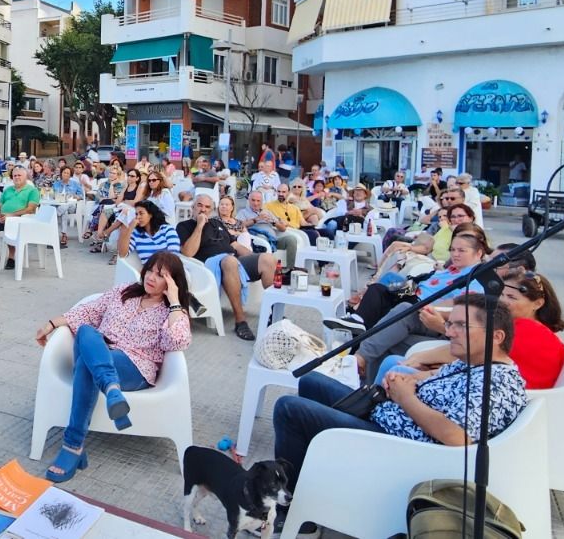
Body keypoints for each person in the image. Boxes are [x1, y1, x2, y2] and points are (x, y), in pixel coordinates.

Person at [271, 293, 528, 494]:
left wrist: (406, 397)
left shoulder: (496, 383)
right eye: (450, 324)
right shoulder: (475, 362)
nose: (449, 332)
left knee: (288, 408)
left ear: (496, 336)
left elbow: (455, 435)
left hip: (396, 446)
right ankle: (313, 481)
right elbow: (434, 380)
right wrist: (408, 379)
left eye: (461, 326)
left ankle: (286, 501)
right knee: (310, 381)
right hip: (387, 417)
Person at [34, 252, 193, 482]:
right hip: (101, 353)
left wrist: (176, 301)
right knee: (87, 333)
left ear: (172, 283)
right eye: (150, 270)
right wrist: (50, 324)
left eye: (161, 276)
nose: (151, 277)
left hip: (133, 366)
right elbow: (89, 311)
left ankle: (73, 445)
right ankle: (111, 389)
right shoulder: (124, 291)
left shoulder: (171, 313)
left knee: (86, 365)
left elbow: (178, 341)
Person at [387, 265, 564, 389]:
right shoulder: (521, 326)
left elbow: (473, 350)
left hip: (498, 397)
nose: (503, 301)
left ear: (537, 303)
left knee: (395, 366)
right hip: (484, 384)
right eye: (502, 295)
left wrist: (423, 359)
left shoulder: (527, 329)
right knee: (396, 358)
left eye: (512, 298)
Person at [346, 223, 491, 378]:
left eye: (462, 250)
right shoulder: (454, 268)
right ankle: (362, 372)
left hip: (433, 316)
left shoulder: (476, 277)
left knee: (401, 310)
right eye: (453, 250)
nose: (455, 254)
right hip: (418, 302)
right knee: (380, 293)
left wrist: (431, 310)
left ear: (478, 253)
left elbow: (458, 309)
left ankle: (357, 358)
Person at [177, 194, 275, 340]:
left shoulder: (218, 224)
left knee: (267, 258)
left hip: (233, 259)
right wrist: (199, 225)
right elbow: (188, 252)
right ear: (193, 207)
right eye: (199, 205)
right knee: (229, 261)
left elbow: (234, 245)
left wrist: (254, 258)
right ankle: (240, 321)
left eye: (207, 207)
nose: (203, 209)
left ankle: (274, 315)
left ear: (212, 210)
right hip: (208, 267)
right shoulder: (184, 226)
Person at [0, 166, 41, 269]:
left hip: (20, 219)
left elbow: (31, 209)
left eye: (19, 175)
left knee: (10, 227)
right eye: (15, 175)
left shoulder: (32, 191)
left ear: (26, 176)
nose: (17, 177)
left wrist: (11, 215)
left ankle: (12, 257)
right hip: (3, 217)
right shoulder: (8, 190)